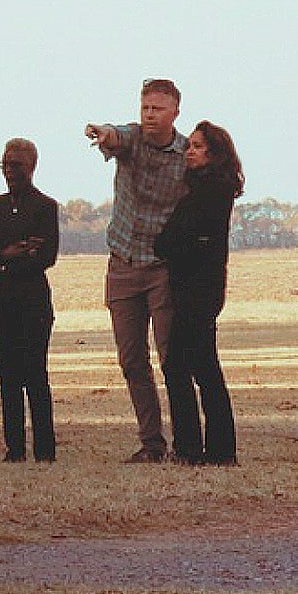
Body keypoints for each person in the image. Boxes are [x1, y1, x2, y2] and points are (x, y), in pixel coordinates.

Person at [84, 78, 188, 462]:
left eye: (158, 109)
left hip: (162, 269)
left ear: (175, 112)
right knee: (132, 361)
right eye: (145, 107)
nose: (149, 115)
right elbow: (117, 136)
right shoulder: (132, 141)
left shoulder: (186, 154)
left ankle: (186, 441)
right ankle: (151, 442)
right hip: (123, 264)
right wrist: (102, 133)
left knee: (171, 358)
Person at [155, 120, 242, 465]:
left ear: (215, 154)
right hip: (196, 289)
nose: (189, 152)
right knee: (198, 367)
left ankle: (198, 448)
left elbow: (173, 242)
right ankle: (211, 449)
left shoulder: (210, 193)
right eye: (189, 146)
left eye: (197, 147)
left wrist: (172, 244)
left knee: (186, 366)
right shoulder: (203, 192)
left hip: (198, 291)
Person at [0, 137, 60, 461]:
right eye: (5, 165)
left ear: (31, 167)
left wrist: (4, 257)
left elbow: (46, 256)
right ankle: (14, 449)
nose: (9, 172)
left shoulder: (45, 207)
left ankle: (45, 450)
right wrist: (14, 252)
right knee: (7, 375)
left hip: (33, 301)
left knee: (35, 374)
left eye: (16, 166)